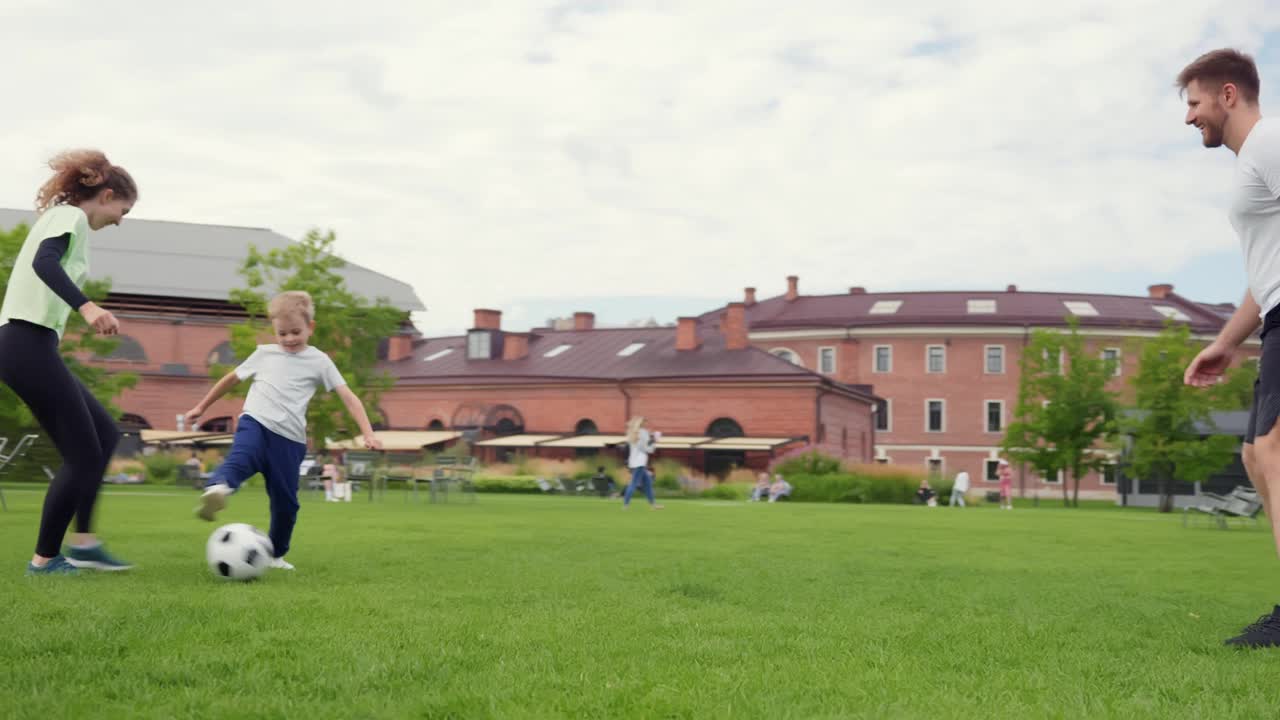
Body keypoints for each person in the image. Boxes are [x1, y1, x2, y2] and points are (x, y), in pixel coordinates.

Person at [1179, 48, 1280, 647]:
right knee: (1254, 455)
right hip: (1273, 320)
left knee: (1271, 451)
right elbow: (1266, 274)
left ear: (1227, 95)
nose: (1189, 118)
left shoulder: (1269, 143)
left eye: (1194, 103)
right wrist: (1223, 342)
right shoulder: (1253, 166)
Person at [0, 150, 138, 575]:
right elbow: (45, 263)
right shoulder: (71, 217)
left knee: (104, 434)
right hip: (23, 340)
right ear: (107, 194)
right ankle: (44, 560)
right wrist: (88, 307)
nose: (120, 220)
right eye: (123, 210)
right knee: (81, 454)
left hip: (31, 343)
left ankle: (84, 543)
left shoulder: (67, 221)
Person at [184, 291, 383, 570]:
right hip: (255, 422)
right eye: (282, 333)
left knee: (286, 503)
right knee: (240, 459)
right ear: (273, 331)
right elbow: (230, 380)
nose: (289, 339)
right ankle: (218, 488)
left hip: (289, 441)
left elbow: (347, 396)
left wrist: (368, 432)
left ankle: (275, 554)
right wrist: (201, 408)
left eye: (295, 332)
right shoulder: (264, 354)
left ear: (310, 328)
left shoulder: (320, 361)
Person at [622, 416, 663, 510]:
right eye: (645, 422)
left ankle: (653, 505)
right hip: (639, 463)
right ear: (640, 423)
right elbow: (644, 448)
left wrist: (652, 440)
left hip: (635, 462)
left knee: (647, 483)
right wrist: (654, 441)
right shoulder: (642, 432)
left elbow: (642, 445)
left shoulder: (633, 433)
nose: (646, 424)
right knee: (633, 483)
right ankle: (625, 505)